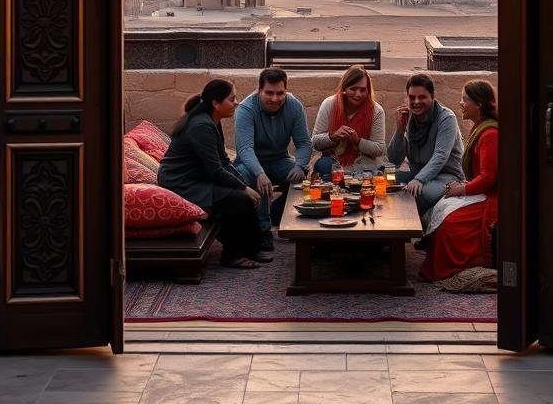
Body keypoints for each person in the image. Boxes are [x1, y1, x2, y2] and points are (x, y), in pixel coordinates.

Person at [157, 79, 268, 269]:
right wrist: (244, 188)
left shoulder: (212, 120)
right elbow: (216, 170)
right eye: (231, 99)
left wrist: (244, 184)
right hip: (181, 182)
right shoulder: (201, 125)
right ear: (216, 103)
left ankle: (251, 248)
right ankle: (233, 256)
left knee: (245, 194)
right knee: (239, 199)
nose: (236, 103)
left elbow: (224, 160)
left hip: (198, 177)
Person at [419, 80, 499, 283]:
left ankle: (453, 268)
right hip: (479, 190)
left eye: (465, 99)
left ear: (479, 104)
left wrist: (462, 189)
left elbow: (488, 177)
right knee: (440, 207)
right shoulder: (479, 128)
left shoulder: (490, 134)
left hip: (492, 197)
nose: (461, 103)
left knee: (450, 222)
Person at [234, 68, 312, 251]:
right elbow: (245, 149)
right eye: (269, 93)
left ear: (286, 91)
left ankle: (283, 216)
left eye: (280, 93)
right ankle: (263, 230)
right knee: (253, 179)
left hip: (280, 160)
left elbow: (304, 143)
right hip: (250, 163)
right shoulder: (246, 109)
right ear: (259, 90)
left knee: (303, 179)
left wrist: (299, 166)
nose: (275, 99)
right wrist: (259, 173)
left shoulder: (294, 106)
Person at [386, 73, 464, 218]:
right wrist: (400, 130)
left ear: (432, 96)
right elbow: (394, 160)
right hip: (417, 171)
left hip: (445, 175)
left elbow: (440, 156)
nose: (416, 102)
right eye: (412, 97)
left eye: (422, 97)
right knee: (383, 178)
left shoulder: (446, 118)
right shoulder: (408, 116)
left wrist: (419, 179)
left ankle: (414, 229)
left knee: (421, 193)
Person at [311, 64, 386, 178]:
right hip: (334, 160)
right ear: (344, 89)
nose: (358, 94)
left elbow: (379, 149)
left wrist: (357, 141)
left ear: (368, 90)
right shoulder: (329, 104)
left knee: (368, 175)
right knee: (324, 166)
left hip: (364, 162)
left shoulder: (376, 111)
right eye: (353, 89)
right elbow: (315, 142)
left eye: (362, 90)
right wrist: (333, 136)